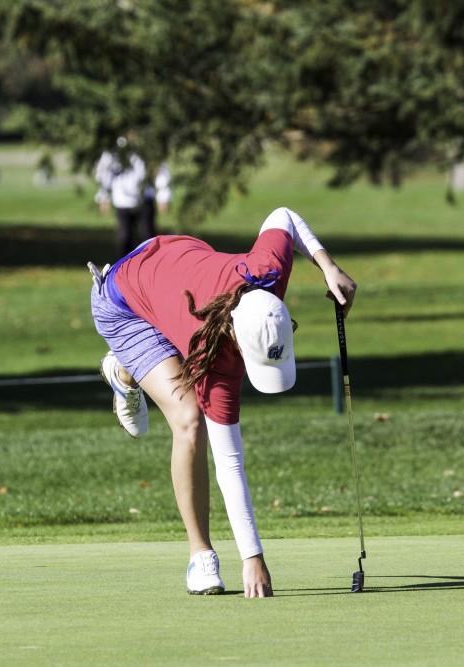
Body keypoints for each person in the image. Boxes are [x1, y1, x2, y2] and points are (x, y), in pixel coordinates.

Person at [87, 206, 357, 598]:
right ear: (232, 337)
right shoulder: (212, 357)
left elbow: (284, 216)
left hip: (169, 262)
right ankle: (201, 556)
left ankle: (129, 368)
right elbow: (229, 462)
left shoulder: (266, 274)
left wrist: (328, 267)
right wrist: (253, 556)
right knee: (188, 419)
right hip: (122, 302)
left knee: (180, 388)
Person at [94, 139, 171, 257]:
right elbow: (104, 172)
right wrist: (104, 196)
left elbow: (160, 170)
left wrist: (163, 196)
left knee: (148, 238)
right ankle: (124, 270)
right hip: (122, 202)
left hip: (145, 199)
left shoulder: (148, 145)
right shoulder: (114, 149)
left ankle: (149, 270)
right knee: (124, 238)